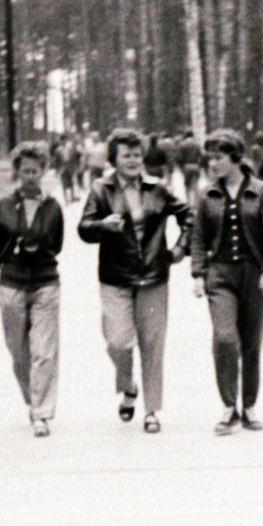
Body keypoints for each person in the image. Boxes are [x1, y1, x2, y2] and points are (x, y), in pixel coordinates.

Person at [77, 127, 193, 433]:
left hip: (154, 276)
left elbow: (189, 216)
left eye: (137, 154)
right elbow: (84, 228)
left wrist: (181, 248)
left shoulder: (158, 188)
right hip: (115, 277)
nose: (132, 160)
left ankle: (151, 411)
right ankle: (128, 386)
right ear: (114, 158)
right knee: (118, 342)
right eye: (126, 154)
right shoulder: (101, 190)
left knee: (152, 344)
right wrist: (103, 225)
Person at [190, 130, 263, 435]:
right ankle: (229, 406)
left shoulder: (261, 190)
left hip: (254, 275)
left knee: (252, 343)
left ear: (235, 158)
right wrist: (198, 273)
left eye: (218, 157)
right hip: (220, 275)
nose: (212, 164)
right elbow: (199, 236)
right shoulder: (207, 193)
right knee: (225, 338)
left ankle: (249, 406)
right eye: (210, 158)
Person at [0, 141, 65, 438]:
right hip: (11, 283)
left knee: (44, 350)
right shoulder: (4, 206)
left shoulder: (53, 207)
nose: (30, 176)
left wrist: (39, 248)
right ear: (17, 171)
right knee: (18, 351)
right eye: (25, 170)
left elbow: (57, 245)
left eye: (35, 171)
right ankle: (31, 396)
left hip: (44, 283)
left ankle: (41, 413)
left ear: (43, 171)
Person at [176, 129, 203, 199]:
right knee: (196, 187)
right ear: (192, 136)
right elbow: (201, 156)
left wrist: (181, 167)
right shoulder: (197, 145)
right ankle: (196, 204)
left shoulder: (182, 145)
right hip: (195, 166)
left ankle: (189, 203)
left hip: (187, 166)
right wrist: (199, 165)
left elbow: (179, 158)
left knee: (187, 187)